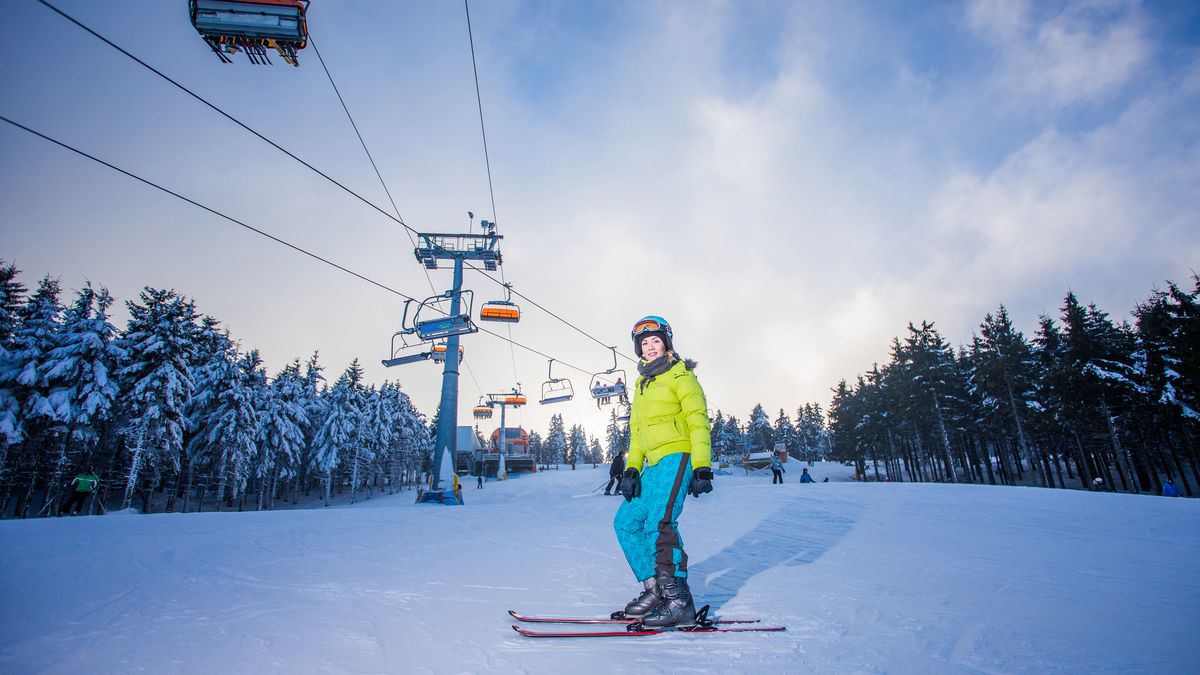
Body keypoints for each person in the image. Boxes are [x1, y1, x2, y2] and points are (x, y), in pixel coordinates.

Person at [615, 315, 713, 629]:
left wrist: (702, 466)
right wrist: (631, 469)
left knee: (661, 523)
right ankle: (655, 590)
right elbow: (638, 432)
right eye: (645, 343)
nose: (651, 347)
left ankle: (679, 600)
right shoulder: (643, 383)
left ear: (667, 343)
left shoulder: (680, 375)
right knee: (626, 522)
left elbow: (698, 419)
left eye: (656, 341)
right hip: (653, 464)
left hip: (677, 455)